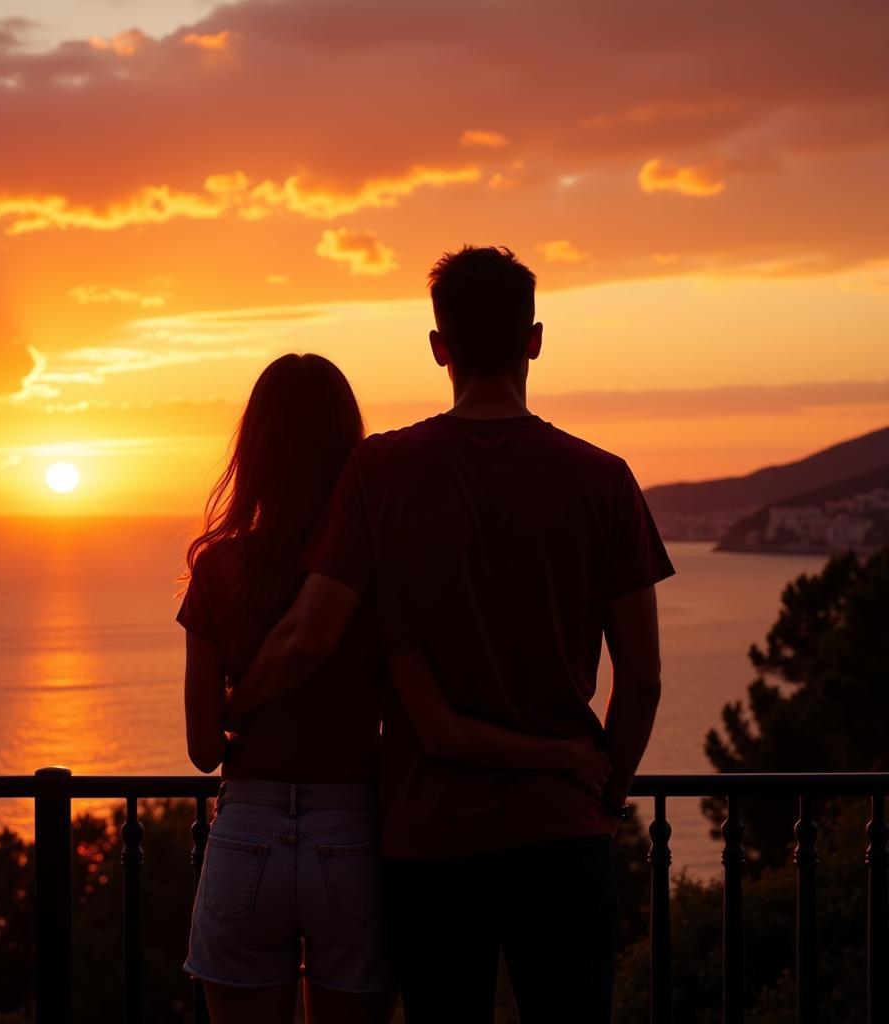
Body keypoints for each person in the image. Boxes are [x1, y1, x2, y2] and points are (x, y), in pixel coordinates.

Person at [226, 247, 676, 1023]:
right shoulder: (603, 479)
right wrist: (607, 791)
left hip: (431, 842)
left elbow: (309, 635)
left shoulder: (381, 472)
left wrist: (234, 704)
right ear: (533, 339)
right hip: (562, 831)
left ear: (440, 346)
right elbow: (643, 678)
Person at [178, 352, 613, 1024]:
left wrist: (242, 706)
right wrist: (565, 755)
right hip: (351, 832)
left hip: (247, 836)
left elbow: (205, 748)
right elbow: (433, 719)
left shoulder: (218, 569)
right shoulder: (372, 572)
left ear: (253, 447)